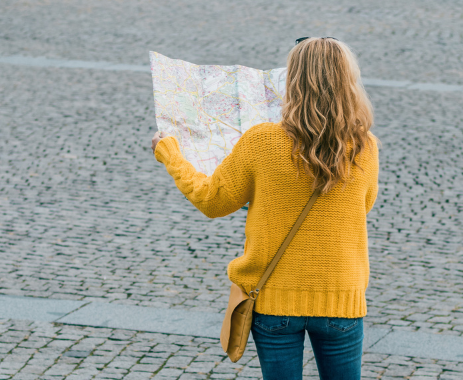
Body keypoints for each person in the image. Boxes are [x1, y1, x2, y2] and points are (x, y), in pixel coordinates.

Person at [150, 37, 378, 380]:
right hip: (341, 300)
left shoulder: (262, 141)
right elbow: (362, 206)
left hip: (274, 300)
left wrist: (170, 154)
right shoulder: (365, 146)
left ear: (291, 82)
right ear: (349, 82)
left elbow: (213, 201)